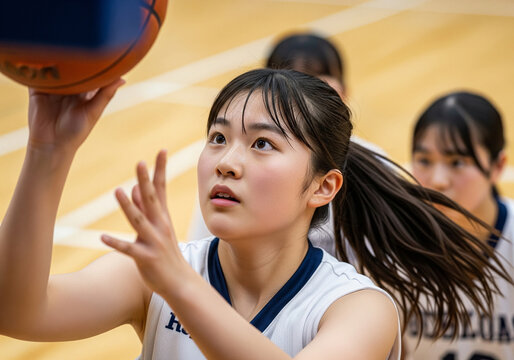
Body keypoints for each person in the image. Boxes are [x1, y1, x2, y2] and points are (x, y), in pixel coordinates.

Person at [0, 69, 510, 359]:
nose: (227, 161)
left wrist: (180, 287)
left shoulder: (358, 309)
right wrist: (49, 150)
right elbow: (18, 312)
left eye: (262, 143)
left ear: (323, 186)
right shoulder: (156, 274)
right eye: (218, 137)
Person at [188, 32, 385, 252]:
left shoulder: (374, 162)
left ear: (325, 185)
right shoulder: (223, 173)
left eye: (316, 81)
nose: (297, 93)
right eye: (219, 138)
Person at [404, 91, 514, 360]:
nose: (438, 180)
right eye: (424, 161)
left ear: (498, 165)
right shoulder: (396, 241)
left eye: (457, 162)